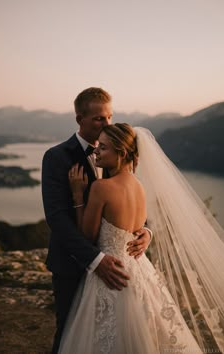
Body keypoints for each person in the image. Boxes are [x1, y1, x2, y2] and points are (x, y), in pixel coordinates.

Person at [58, 123, 224, 354]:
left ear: (122, 153)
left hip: (111, 273)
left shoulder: (101, 188)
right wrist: (147, 233)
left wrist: (77, 195)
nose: (96, 151)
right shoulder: (139, 187)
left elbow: (86, 237)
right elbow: (138, 227)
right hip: (138, 271)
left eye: (103, 148)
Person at [41, 88, 152, 354]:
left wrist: (146, 231)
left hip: (115, 266)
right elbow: (56, 218)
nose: (107, 124)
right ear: (80, 119)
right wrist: (95, 259)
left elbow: (131, 203)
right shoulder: (56, 157)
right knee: (69, 334)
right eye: (99, 119)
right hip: (72, 264)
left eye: (109, 117)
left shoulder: (114, 153)